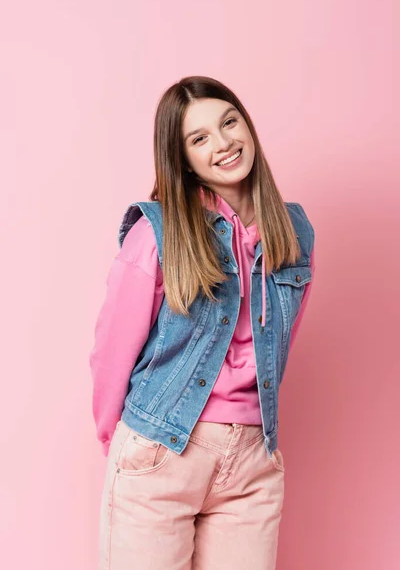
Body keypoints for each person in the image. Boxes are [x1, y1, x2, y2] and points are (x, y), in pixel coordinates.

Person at [89, 75, 316, 570]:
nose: (224, 143)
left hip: (252, 461)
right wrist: (124, 447)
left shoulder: (294, 232)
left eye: (229, 122)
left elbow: (277, 346)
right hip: (162, 449)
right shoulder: (158, 232)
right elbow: (113, 348)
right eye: (200, 138)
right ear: (183, 157)